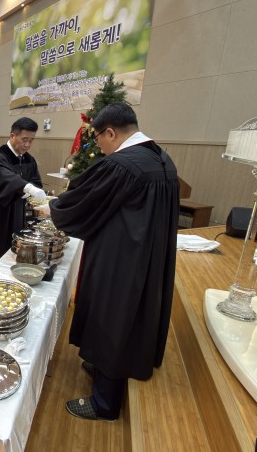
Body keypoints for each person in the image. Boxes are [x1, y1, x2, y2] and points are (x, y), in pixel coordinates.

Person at [40, 103, 179, 422]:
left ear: (111, 133)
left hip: (121, 259)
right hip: (149, 257)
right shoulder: (162, 159)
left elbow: (86, 201)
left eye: (98, 137)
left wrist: (55, 208)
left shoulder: (122, 164)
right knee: (130, 317)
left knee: (112, 316)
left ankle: (104, 403)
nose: (98, 145)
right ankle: (104, 365)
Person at [0, 117, 45, 266]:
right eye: (24, 140)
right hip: (1, 214)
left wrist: (33, 191)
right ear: (12, 136)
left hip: (20, 212)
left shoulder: (28, 159)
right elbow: (3, 177)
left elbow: (35, 181)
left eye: (31, 140)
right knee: (0, 253)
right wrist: (26, 187)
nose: (27, 145)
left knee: (16, 249)